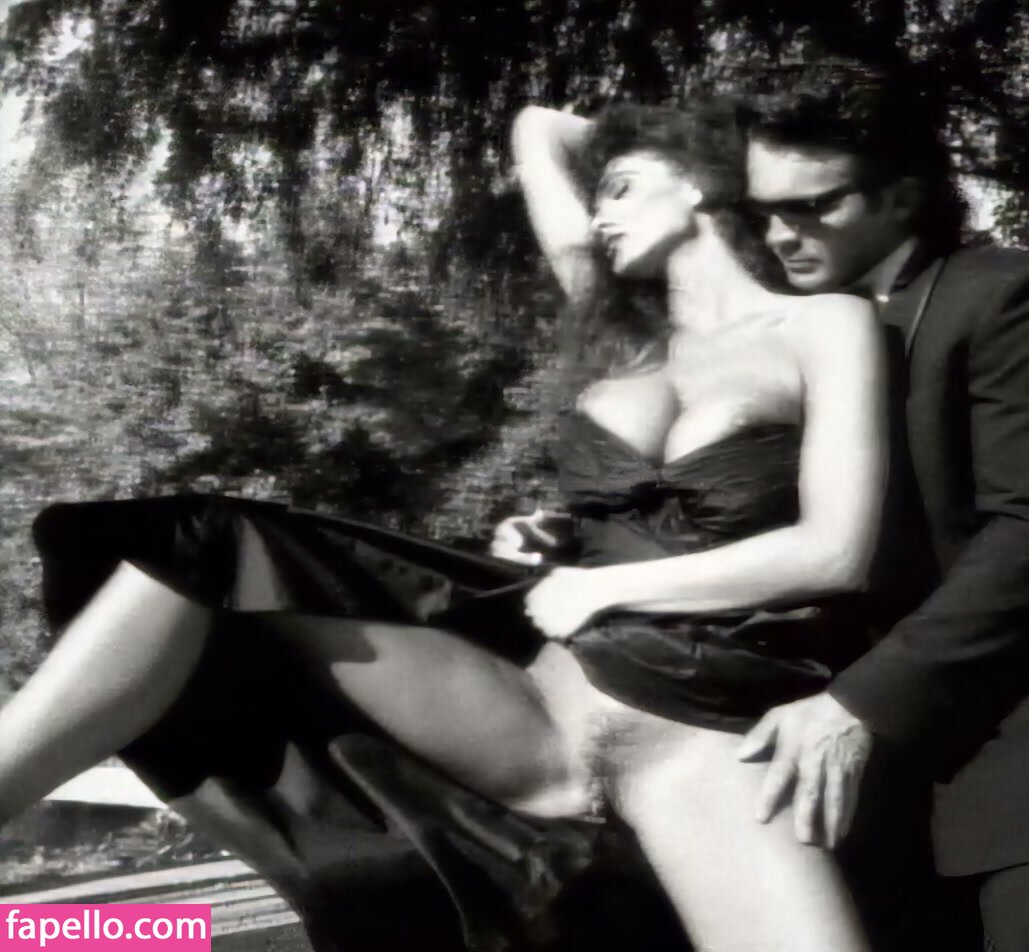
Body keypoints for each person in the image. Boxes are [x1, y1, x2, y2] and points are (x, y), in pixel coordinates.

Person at [0, 100, 920, 952]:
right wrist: (568, 541)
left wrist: (605, 583)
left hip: (699, 739)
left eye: (622, 188)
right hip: (538, 711)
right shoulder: (626, 342)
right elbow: (536, 127)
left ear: (705, 184)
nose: (599, 215)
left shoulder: (826, 325)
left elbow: (834, 552)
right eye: (598, 195)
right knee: (207, 550)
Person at [735, 60, 1029, 952]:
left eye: (813, 205)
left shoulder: (1008, 295)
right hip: (837, 790)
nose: (780, 234)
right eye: (763, 210)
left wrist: (861, 702)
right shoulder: (776, 334)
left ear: (906, 194)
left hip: (1018, 761)